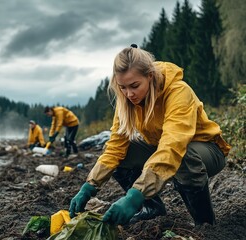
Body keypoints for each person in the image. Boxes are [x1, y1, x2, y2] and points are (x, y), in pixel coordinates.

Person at [69, 44, 231, 226]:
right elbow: (115, 147)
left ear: (150, 76)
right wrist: (90, 186)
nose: (129, 94)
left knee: (183, 155)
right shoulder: (127, 100)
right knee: (123, 153)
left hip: (206, 150)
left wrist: (134, 195)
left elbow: (173, 145)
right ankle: (152, 209)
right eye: (122, 87)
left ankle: (206, 224)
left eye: (134, 86)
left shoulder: (178, 92)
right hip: (161, 149)